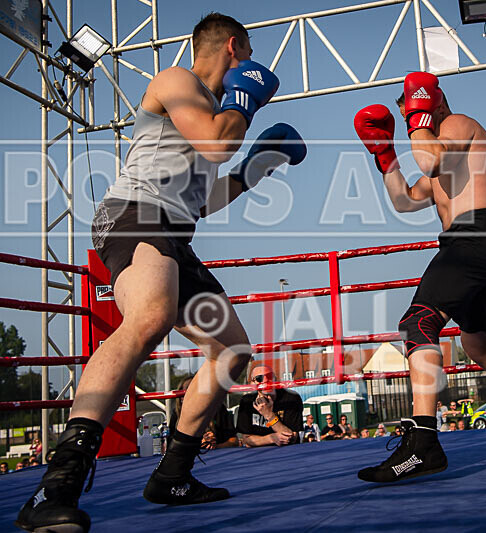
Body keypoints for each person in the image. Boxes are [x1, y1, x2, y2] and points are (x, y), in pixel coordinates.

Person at [16, 13, 306, 533]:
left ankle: (173, 472)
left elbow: (202, 201)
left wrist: (257, 165)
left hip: (174, 230)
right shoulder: (177, 81)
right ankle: (56, 484)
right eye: (248, 52)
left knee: (233, 351)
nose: (251, 63)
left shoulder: (215, 114)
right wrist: (244, 104)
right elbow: (216, 143)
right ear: (234, 47)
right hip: (133, 215)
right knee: (150, 317)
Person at [354, 72, 486, 483]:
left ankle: (424, 443)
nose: (413, 125)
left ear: (430, 105)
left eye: (413, 114)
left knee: (417, 324)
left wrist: (420, 120)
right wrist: (385, 157)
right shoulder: (440, 155)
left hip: (476, 238)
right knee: (476, 344)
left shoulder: (458, 124)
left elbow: (430, 158)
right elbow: (404, 201)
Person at [237, 366, 303, 447]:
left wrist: (269, 415)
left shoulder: (290, 399)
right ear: (253, 382)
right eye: (259, 378)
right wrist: (271, 438)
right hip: (259, 452)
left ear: (275, 379)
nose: (265, 380)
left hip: (287, 451)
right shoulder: (247, 401)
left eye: (269, 376)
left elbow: (291, 438)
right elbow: (246, 440)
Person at [168, 376, 238, 449]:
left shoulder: (218, 409)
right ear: (181, 398)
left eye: (195, 389)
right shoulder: (177, 413)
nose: (192, 393)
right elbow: (170, 445)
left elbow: (234, 441)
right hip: (191, 454)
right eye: (187, 390)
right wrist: (199, 444)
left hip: (218, 454)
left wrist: (215, 446)